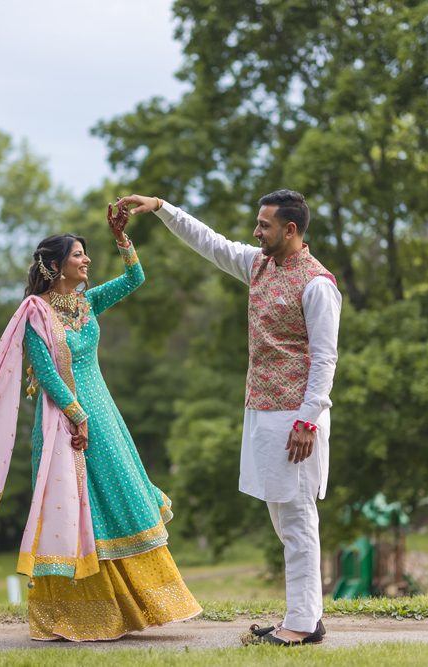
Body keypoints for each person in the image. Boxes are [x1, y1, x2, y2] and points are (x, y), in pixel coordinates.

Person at [0, 204, 200, 642]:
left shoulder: (88, 302)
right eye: (78, 255)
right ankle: (81, 615)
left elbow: (135, 279)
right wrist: (76, 415)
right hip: (62, 423)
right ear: (55, 266)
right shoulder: (36, 313)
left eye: (86, 253)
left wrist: (122, 238)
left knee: (120, 501)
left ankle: (138, 607)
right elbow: (46, 373)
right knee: (72, 511)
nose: (87, 260)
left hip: (105, 417)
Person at [117, 190, 341, 647]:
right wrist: (161, 207)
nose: (256, 232)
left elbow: (325, 358)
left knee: (298, 519)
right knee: (283, 520)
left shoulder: (317, 284)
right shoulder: (259, 265)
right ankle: (306, 617)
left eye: (264, 225)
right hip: (262, 413)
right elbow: (209, 241)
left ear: (291, 229)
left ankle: (301, 625)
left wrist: (308, 421)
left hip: (297, 420)